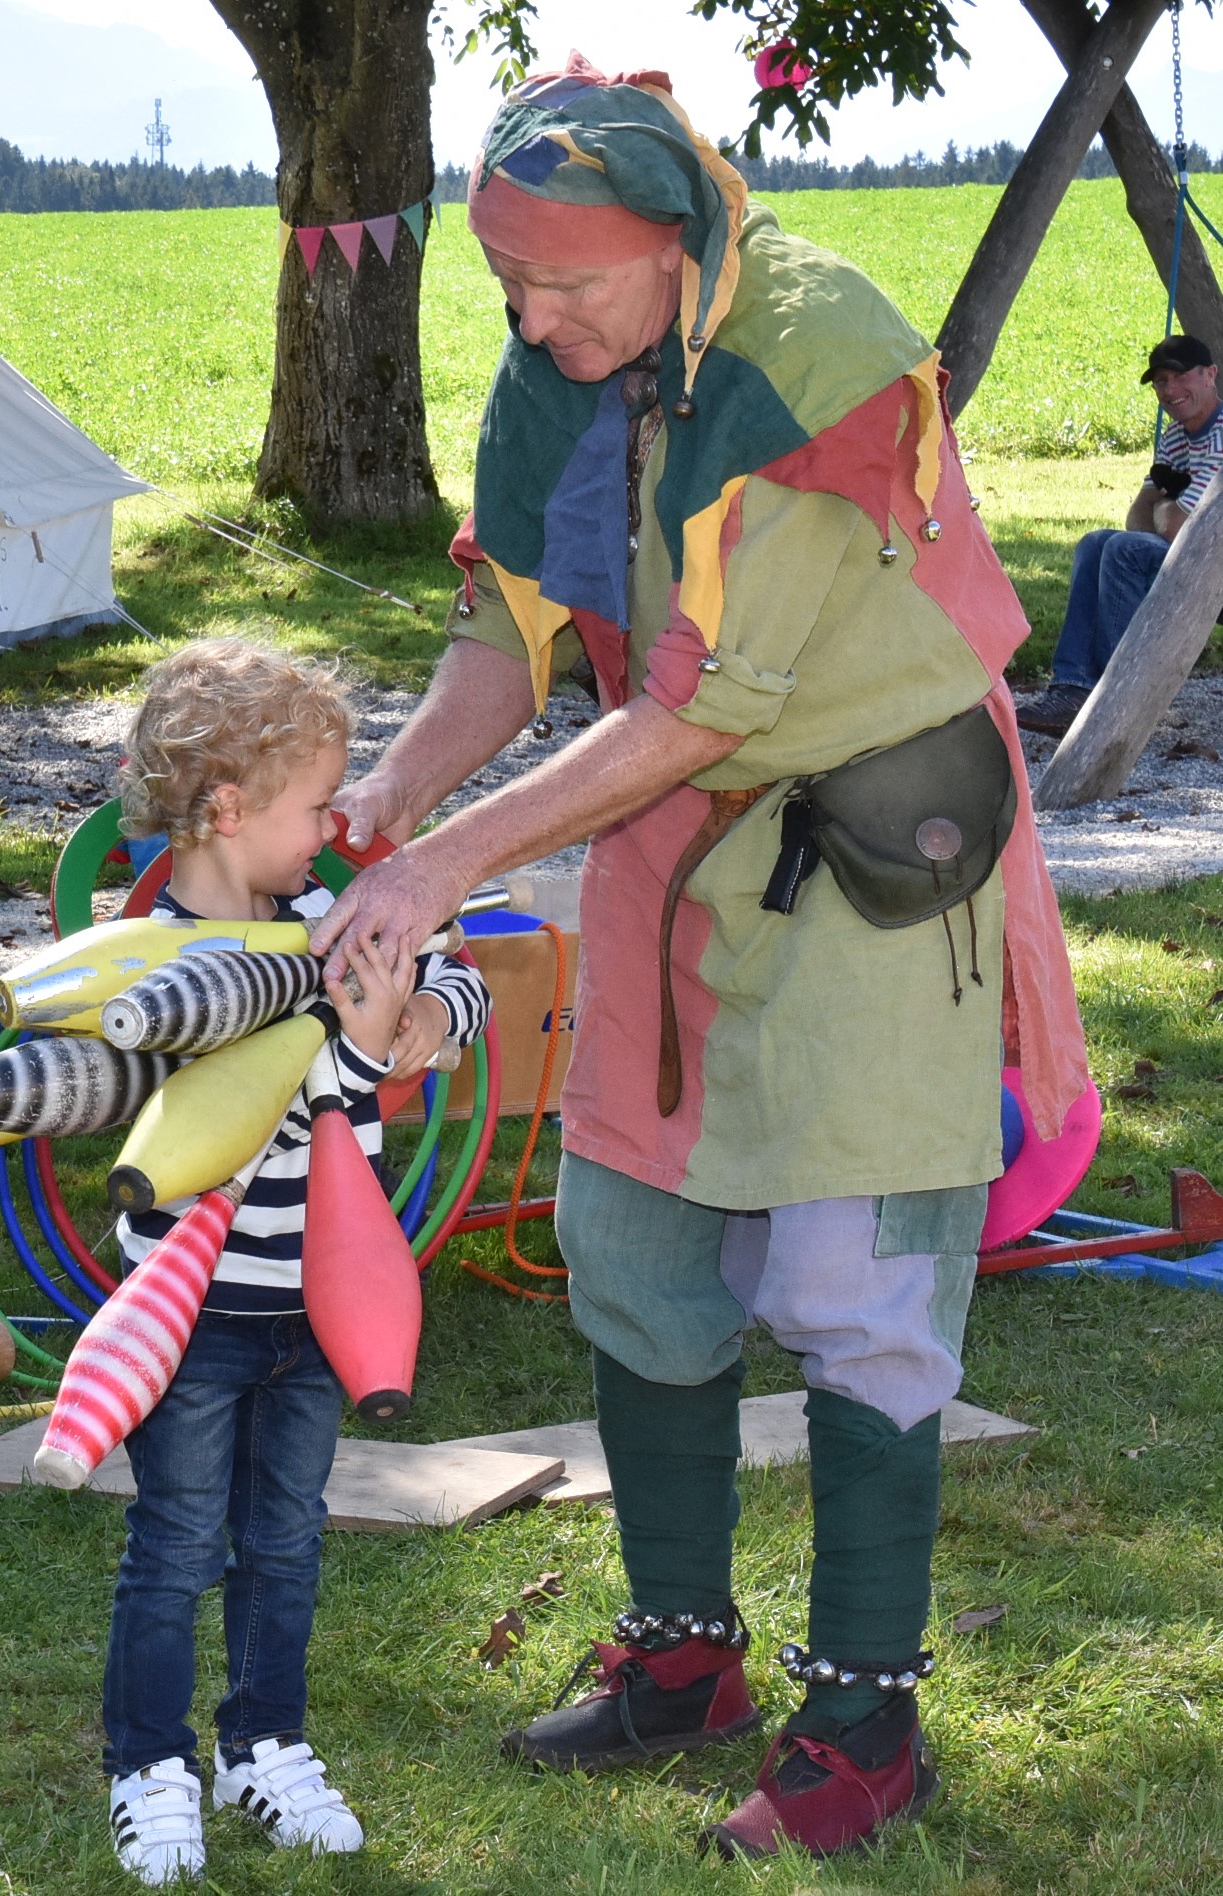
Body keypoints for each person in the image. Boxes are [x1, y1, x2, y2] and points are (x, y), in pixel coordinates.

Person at [310, 55, 1088, 1862]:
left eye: (560, 284)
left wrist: (449, 861)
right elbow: (510, 620)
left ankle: (865, 1730)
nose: (531, 319)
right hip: (668, 844)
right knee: (635, 1247)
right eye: (506, 284)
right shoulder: (564, 356)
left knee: (852, 1290)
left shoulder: (814, 360)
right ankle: (681, 1664)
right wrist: (400, 786)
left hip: (873, 856)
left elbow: (703, 699)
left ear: (670, 244)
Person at [100, 637, 489, 1887]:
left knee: (284, 1539)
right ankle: (148, 1765)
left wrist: (424, 1014)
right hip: (192, 1313)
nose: (334, 829)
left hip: (320, 1308)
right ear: (227, 809)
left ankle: (263, 1745)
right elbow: (260, 1097)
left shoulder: (330, 916)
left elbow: (461, 972)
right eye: (317, 805)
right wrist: (360, 1042)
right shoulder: (152, 965)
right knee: (176, 1542)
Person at [1017, 334, 1223, 736]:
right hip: (1199, 558)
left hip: (1215, 569)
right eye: (1160, 381)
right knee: (1097, 542)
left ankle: (1121, 697)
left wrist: (1164, 501)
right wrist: (1171, 505)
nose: (1170, 391)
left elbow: (1175, 528)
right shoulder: (1176, 436)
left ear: (1210, 375)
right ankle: (1073, 688)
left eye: (1180, 376)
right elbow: (1136, 518)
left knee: (1125, 550)